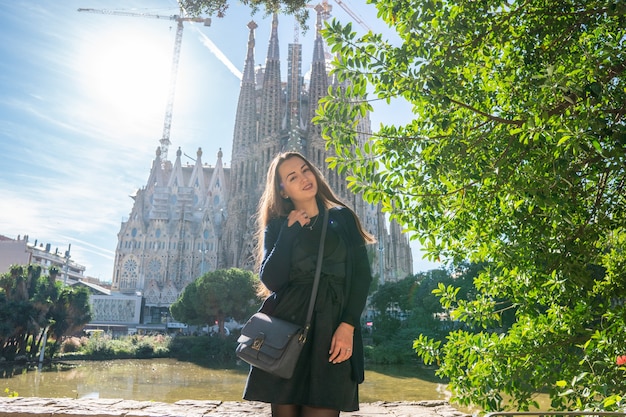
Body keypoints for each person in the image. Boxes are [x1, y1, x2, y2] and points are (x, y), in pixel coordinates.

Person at [243, 151, 375, 417]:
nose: (304, 178)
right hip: (287, 332)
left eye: (305, 170)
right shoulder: (279, 226)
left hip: (332, 331)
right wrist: (290, 233)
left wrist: (348, 325)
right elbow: (271, 280)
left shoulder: (342, 218)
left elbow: (362, 276)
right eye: (293, 176)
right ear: (283, 191)